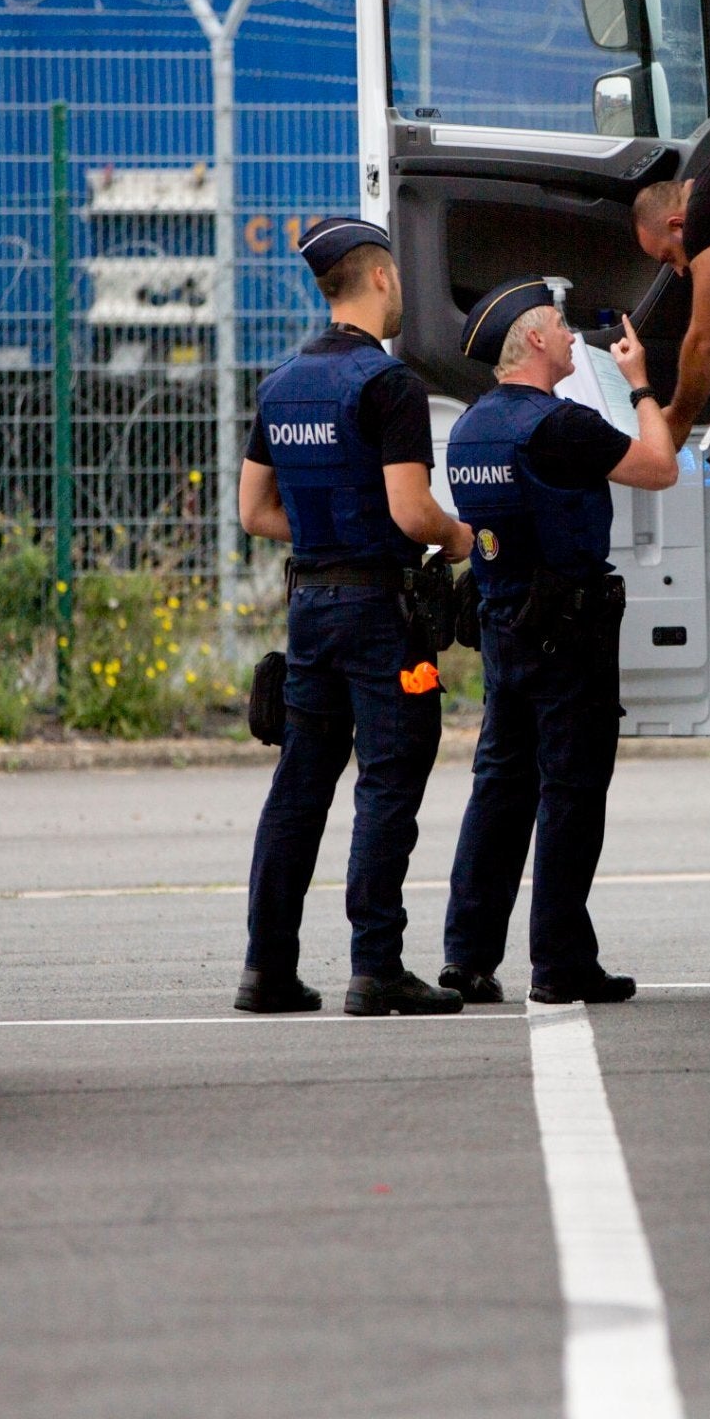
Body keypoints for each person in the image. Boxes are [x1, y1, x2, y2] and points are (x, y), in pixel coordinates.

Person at [233, 217, 473, 1017]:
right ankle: (375, 966)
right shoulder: (389, 385)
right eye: (398, 274)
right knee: (388, 780)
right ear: (379, 280)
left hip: (309, 605)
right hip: (378, 609)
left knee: (300, 785)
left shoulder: (281, 382)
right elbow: (411, 511)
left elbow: (252, 511)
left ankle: (267, 969)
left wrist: (325, 530)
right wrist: (461, 535)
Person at [436, 279, 688, 1005]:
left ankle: (467, 955)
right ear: (535, 340)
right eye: (561, 324)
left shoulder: (472, 426)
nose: (574, 336)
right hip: (567, 635)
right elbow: (661, 468)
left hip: (502, 627)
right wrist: (641, 385)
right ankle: (560, 961)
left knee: (499, 790)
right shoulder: (560, 425)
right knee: (572, 793)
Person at [630, 135, 710, 434]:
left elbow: (706, 339)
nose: (680, 271)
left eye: (670, 257)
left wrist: (679, 416)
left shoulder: (700, 217)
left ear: (677, 226)